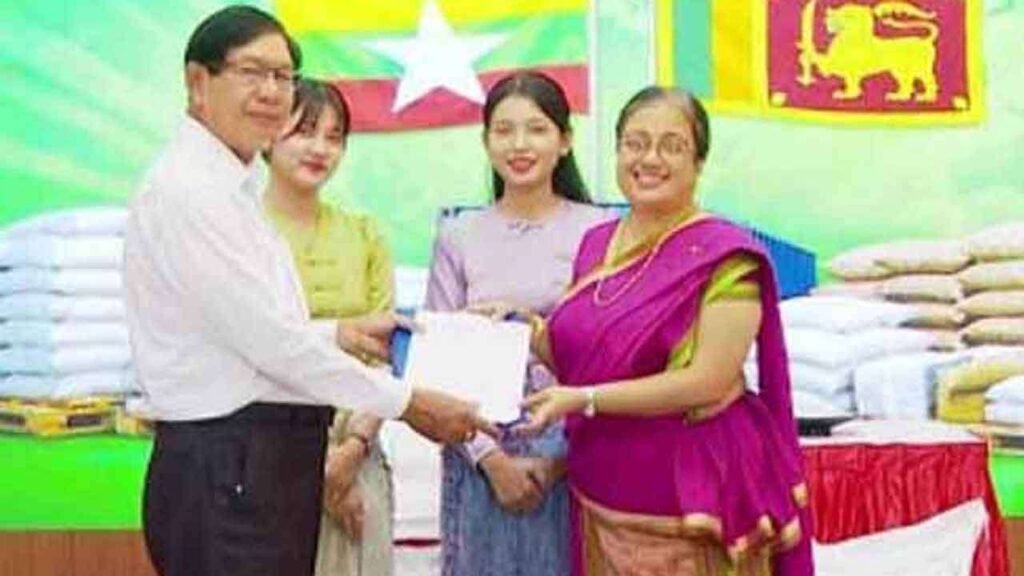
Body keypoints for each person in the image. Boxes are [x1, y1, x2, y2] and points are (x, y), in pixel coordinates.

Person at [122, 7, 491, 576]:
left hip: (256, 465)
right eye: (252, 72)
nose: (272, 92)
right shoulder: (190, 193)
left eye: (283, 76)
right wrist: (409, 404)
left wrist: (340, 333)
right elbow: (271, 346)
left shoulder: (231, 188)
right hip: (227, 468)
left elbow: (251, 334)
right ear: (198, 82)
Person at [517, 87, 815, 575]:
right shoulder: (597, 244)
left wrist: (584, 399)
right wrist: (525, 331)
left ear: (698, 163)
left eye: (671, 146)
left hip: (691, 496)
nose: (650, 159)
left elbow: (708, 381)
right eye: (635, 143)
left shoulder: (725, 254)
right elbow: (587, 361)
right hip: (601, 486)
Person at [424, 71, 610, 576]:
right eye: (504, 130)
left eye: (537, 129)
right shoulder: (458, 235)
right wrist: (491, 460)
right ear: (486, 142)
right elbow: (438, 367)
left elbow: (607, 359)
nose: (519, 144)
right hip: (478, 451)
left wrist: (556, 461)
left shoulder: (599, 233)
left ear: (565, 140)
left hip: (574, 452)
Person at [263, 77, 396, 576]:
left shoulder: (364, 233)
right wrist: (317, 470)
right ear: (269, 136)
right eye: (305, 131)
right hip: (266, 454)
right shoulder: (244, 233)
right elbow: (253, 347)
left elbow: (388, 355)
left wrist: (351, 451)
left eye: (334, 137)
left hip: (357, 449)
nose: (320, 148)